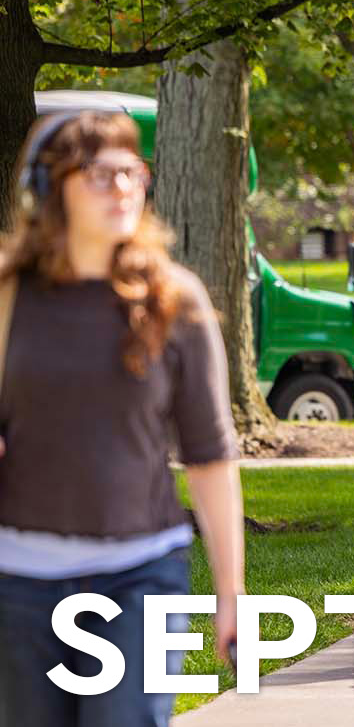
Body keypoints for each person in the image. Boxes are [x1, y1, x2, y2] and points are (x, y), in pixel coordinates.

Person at [0, 110, 244, 724]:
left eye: (131, 172)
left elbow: (210, 457)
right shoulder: (7, 297)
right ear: (48, 188)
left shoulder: (174, 299)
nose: (122, 188)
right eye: (99, 174)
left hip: (141, 573)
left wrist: (232, 593)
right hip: (20, 580)